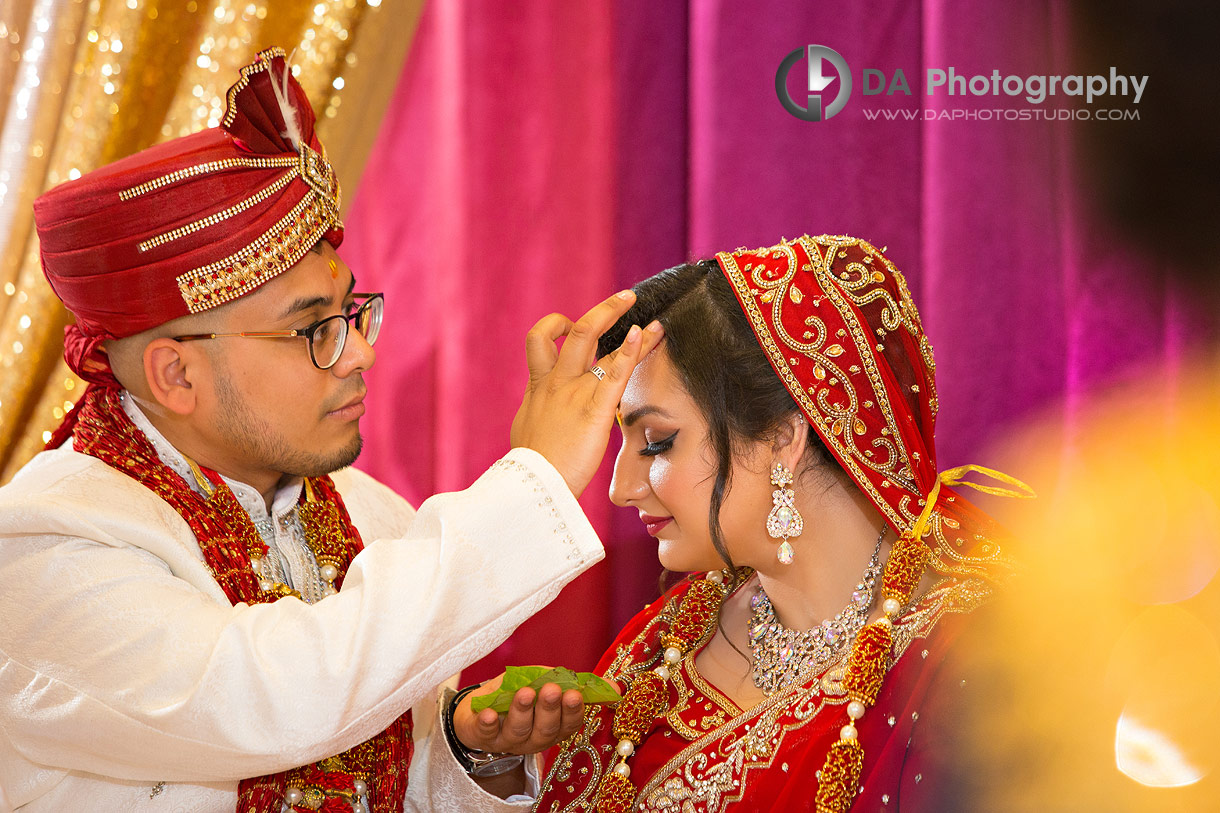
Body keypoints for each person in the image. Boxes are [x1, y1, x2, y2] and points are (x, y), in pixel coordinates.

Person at [0, 48, 663, 812]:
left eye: (349, 312)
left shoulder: (366, 515)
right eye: (312, 329)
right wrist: (533, 473)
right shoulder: (49, 544)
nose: (361, 351)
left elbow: (361, 769)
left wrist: (464, 756)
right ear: (174, 375)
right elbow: (271, 697)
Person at [533, 234, 1031, 812]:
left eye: (658, 442)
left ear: (781, 438)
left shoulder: (973, 659)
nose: (620, 489)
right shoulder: (666, 643)